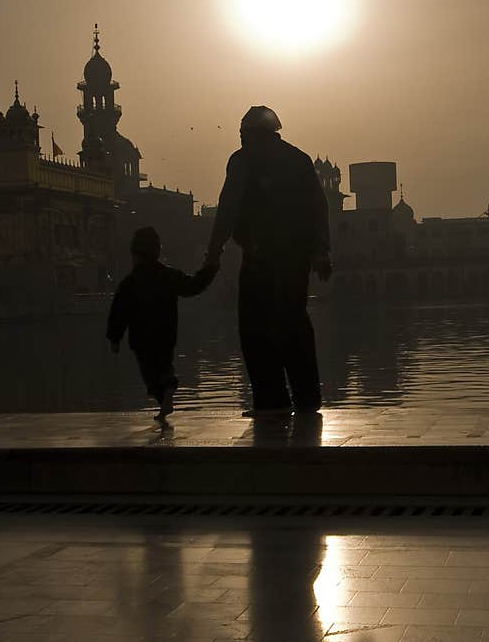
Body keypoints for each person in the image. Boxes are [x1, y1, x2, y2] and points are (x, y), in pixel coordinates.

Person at [205, 106, 332, 417]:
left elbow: (228, 208)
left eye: (242, 133)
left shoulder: (244, 160)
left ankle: (272, 400)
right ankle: (307, 398)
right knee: (294, 323)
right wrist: (321, 251)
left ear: (250, 134)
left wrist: (214, 250)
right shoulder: (298, 159)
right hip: (296, 258)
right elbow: (319, 207)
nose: (240, 138)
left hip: (261, 257)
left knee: (255, 327)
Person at [107, 227, 217, 424]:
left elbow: (119, 312)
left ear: (134, 255)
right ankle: (167, 392)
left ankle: (164, 396)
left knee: (150, 374)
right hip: (165, 334)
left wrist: (114, 337)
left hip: (141, 338)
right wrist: (210, 268)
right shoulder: (169, 276)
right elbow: (194, 286)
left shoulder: (130, 282)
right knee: (164, 365)